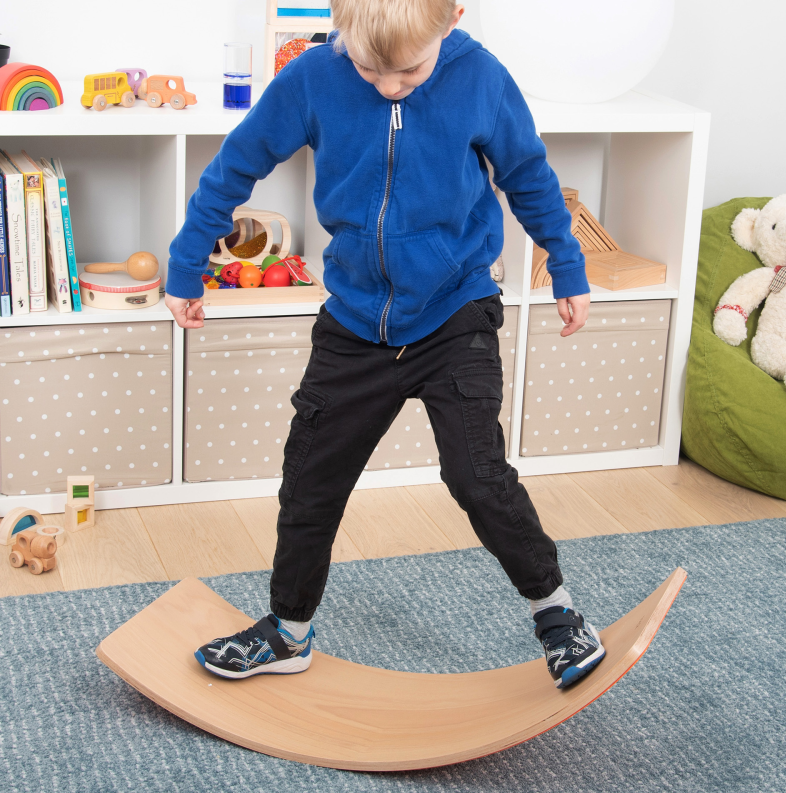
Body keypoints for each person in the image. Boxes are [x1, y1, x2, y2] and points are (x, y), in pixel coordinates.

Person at [165, 0, 605, 690]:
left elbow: (528, 175)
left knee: (476, 475)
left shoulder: (480, 78)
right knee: (309, 482)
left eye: (409, 71)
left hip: (455, 311)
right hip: (355, 321)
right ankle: (288, 632)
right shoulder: (313, 76)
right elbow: (234, 166)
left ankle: (557, 614)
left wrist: (568, 265)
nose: (390, 87)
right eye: (370, 70)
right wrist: (188, 262)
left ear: (451, 19)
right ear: (341, 25)